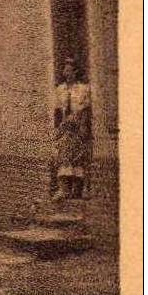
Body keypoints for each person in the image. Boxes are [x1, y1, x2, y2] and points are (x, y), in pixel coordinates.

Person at [52, 57, 93, 200]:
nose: (66, 73)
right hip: (65, 127)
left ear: (75, 72)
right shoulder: (60, 89)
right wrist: (58, 129)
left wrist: (83, 126)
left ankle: (78, 190)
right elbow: (57, 111)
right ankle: (63, 190)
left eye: (69, 71)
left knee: (78, 157)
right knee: (63, 157)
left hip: (77, 125)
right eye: (65, 70)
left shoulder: (83, 89)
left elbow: (86, 110)